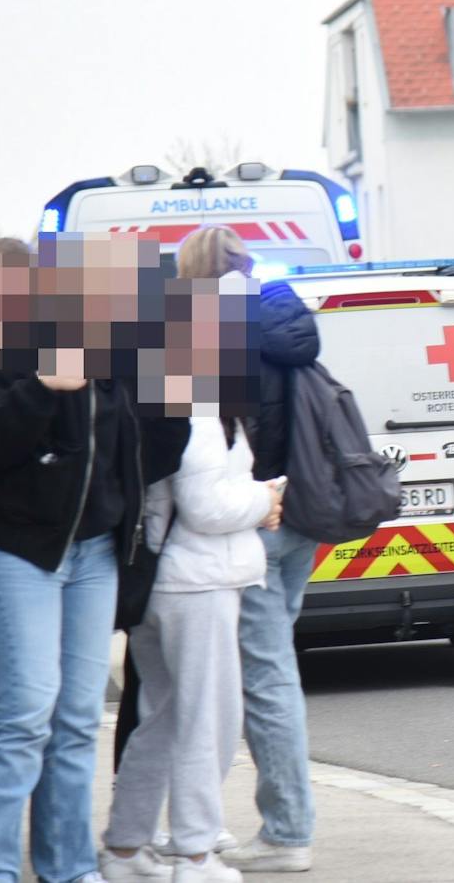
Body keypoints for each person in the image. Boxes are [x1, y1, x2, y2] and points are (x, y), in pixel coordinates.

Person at [0, 239, 157, 883]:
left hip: (94, 551)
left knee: (75, 719)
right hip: (18, 554)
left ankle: (69, 868)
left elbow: (128, 443)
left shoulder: (90, 344)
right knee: (23, 715)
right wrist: (41, 389)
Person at [173, 227, 321, 873]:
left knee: (264, 677)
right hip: (302, 512)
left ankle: (287, 831)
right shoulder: (289, 320)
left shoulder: (212, 333)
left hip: (252, 518)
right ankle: (267, 823)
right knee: (272, 669)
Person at [101, 407, 283, 883]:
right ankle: (196, 855)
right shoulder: (201, 413)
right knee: (208, 721)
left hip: (161, 581)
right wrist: (263, 500)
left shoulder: (155, 404)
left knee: (159, 719)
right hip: (200, 582)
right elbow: (205, 506)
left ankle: (125, 847)